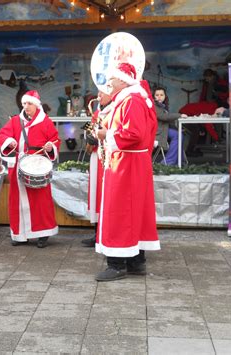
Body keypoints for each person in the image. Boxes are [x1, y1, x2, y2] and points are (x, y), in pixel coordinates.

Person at [94, 63, 160, 281]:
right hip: (131, 161)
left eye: (112, 79)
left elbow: (132, 133)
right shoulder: (130, 99)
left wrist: (104, 135)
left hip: (126, 162)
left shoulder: (130, 100)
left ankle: (117, 263)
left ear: (122, 80)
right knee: (135, 210)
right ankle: (135, 260)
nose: (109, 83)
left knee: (119, 210)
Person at [0, 90, 60, 248]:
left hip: (38, 164)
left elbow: (55, 139)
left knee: (40, 200)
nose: (26, 106)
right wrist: (10, 141)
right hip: (20, 163)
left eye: (29, 103)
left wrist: (50, 146)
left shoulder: (45, 122)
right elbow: (2, 135)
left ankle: (42, 233)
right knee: (17, 200)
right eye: (24, 103)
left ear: (36, 105)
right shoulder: (15, 121)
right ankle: (20, 234)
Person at [81, 90, 112, 247]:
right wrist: (88, 136)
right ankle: (96, 232)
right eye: (98, 94)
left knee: (103, 194)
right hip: (96, 156)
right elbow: (86, 130)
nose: (98, 97)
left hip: (108, 157)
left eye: (102, 94)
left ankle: (104, 233)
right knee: (95, 194)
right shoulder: (97, 112)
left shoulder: (114, 111)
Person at [153, 87, 187, 166]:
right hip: (158, 132)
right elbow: (163, 117)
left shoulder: (162, 106)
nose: (159, 97)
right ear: (154, 96)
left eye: (161, 95)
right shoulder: (154, 105)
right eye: (157, 95)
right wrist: (179, 115)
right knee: (178, 136)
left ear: (165, 96)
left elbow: (167, 120)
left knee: (179, 134)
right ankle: (168, 162)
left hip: (163, 129)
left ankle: (178, 161)